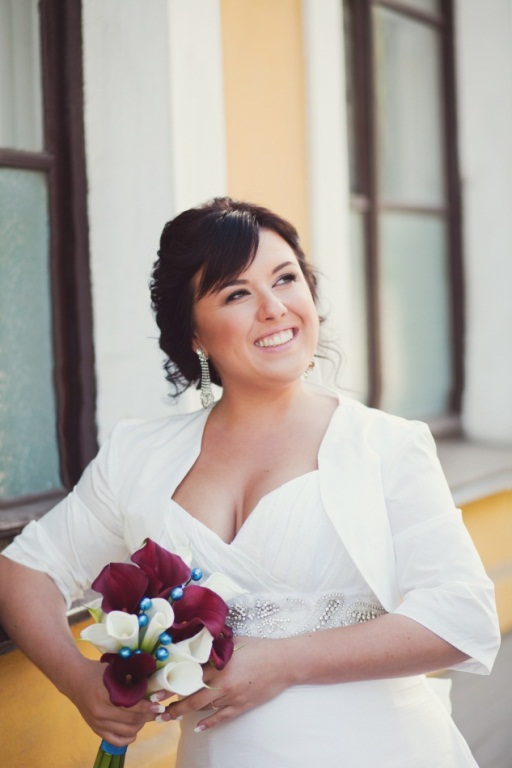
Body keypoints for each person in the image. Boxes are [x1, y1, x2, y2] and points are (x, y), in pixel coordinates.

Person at [0, 197, 500, 767]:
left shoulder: (386, 445)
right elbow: (26, 570)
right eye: (236, 293)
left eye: (285, 279)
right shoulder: (138, 455)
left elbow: (462, 616)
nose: (274, 308)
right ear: (194, 333)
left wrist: (286, 661)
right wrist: (78, 681)